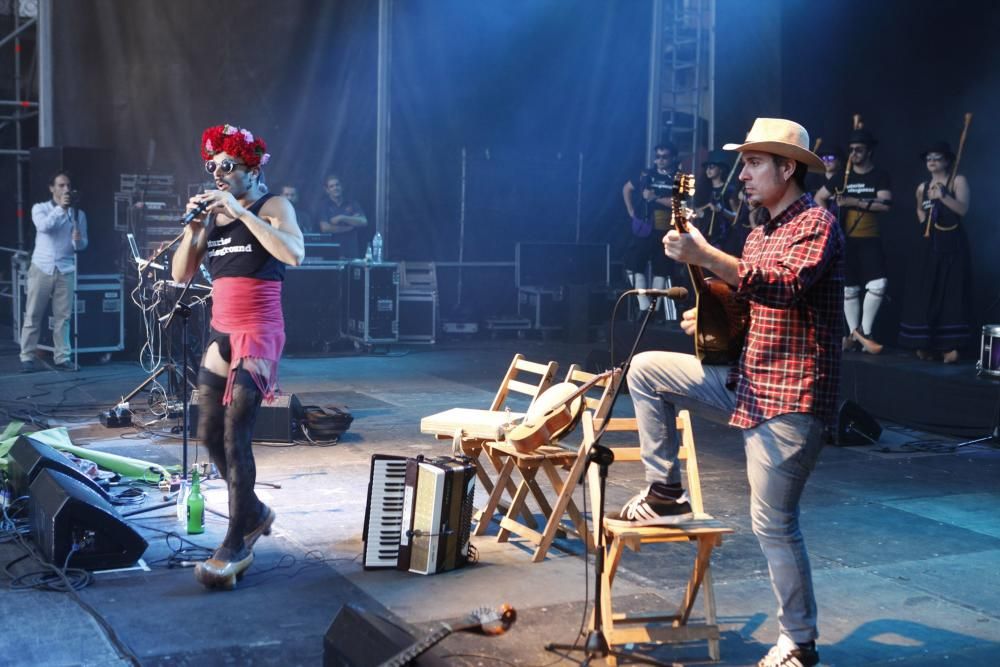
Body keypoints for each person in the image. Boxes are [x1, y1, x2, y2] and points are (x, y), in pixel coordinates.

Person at [608, 118, 843, 667]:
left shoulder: (818, 223)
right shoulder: (761, 231)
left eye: (755, 163)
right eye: (745, 164)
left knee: (774, 524)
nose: (743, 175)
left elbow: (784, 287)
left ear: (788, 168)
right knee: (644, 369)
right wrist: (711, 316)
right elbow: (753, 305)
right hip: (747, 382)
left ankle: (798, 643)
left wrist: (705, 255)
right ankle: (665, 489)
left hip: (790, 399)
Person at [173, 123, 304, 588]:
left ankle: (235, 541)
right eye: (212, 168)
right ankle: (254, 511)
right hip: (222, 330)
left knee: (235, 435)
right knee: (207, 431)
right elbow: (180, 272)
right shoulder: (216, 217)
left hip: (259, 330)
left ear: (251, 168)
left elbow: (295, 254)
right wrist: (194, 229)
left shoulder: (273, 206)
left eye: (227, 167)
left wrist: (242, 213)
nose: (218, 174)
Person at [815, 129, 892, 354]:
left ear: (869, 151)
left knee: (878, 284)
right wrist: (828, 220)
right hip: (846, 239)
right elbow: (820, 197)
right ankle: (852, 335)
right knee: (849, 289)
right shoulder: (843, 176)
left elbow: (886, 205)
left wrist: (854, 201)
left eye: (859, 150)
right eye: (851, 150)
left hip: (870, 238)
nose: (854, 154)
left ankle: (865, 333)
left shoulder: (879, 175)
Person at [898, 141, 971, 362]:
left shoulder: (957, 180)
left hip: (952, 244)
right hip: (928, 244)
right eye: (929, 158)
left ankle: (950, 346)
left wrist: (944, 197)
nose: (931, 161)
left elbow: (963, 209)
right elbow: (920, 210)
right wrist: (925, 229)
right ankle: (924, 344)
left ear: (947, 160)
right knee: (926, 292)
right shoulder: (922, 187)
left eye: (937, 158)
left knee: (950, 291)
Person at [20, 171, 88, 373]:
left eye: (68, 185)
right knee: (33, 314)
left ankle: (62, 357)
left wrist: (78, 240)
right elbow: (44, 227)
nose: (65, 189)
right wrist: (61, 209)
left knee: (63, 317)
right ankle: (27, 356)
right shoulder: (40, 209)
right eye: (61, 185)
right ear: (52, 188)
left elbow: (83, 244)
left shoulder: (79, 214)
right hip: (42, 267)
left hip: (66, 268)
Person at [622, 142, 682, 316]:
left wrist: (654, 198)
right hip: (644, 227)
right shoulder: (646, 174)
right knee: (633, 266)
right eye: (657, 156)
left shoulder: (680, 178)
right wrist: (631, 211)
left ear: (673, 158)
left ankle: (653, 311)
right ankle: (643, 305)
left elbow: (679, 204)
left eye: (664, 157)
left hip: (666, 229)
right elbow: (626, 188)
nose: (660, 160)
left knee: (661, 269)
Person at [694, 149, 739, 248]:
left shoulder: (729, 190)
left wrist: (722, 210)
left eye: (711, 167)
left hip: (723, 238)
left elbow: (736, 218)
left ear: (721, 169)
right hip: (703, 236)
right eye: (706, 168)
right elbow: (695, 212)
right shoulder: (703, 190)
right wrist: (705, 208)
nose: (708, 170)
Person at [317, 174, 367, 258]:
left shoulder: (352, 203)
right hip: (331, 252)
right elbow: (325, 228)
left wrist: (342, 218)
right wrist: (349, 227)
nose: (335, 188)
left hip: (351, 251)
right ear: (327, 190)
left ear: (342, 187)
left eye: (337, 185)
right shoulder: (323, 205)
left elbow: (363, 222)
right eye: (331, 186)